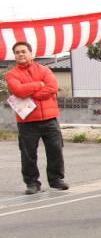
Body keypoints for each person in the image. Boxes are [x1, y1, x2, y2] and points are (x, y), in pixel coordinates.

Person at [6, 41, 69, 194]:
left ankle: (56, 179)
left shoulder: (44, 70)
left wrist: (31, 92)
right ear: (15, 56)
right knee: (28, 154)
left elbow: (52, 88)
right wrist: (39, 85)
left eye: (24, 51)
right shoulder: (11, 74)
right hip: (27, 121)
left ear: (31, 53)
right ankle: (32, 183)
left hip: (50, 118)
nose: (21, 54)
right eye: (17, 52)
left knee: (55, 150)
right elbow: (18, 90)